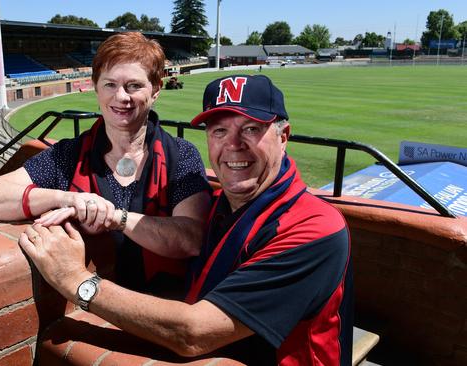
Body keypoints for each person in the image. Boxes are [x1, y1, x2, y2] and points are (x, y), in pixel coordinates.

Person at [19, 74, 353, 365]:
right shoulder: (224, 203)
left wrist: (74, 279)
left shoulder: (314, 228)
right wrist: (115, 217)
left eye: (251, 129)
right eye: (219, 131)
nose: (233, 145)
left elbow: (193, 332)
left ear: (283, 136)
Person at [0, 32, 212, 293]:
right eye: (110, 84)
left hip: (166, 309)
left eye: (134, 85)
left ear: (155, 90)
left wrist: (114, 217)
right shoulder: (68, 154)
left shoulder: (181, 154)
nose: (121, 97)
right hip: (91, 315)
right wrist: (66, 199)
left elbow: (191, 238)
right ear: (95, 86)